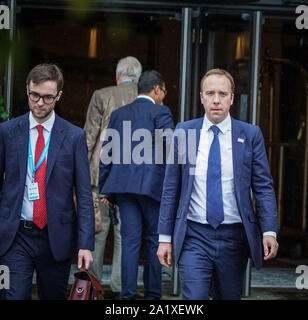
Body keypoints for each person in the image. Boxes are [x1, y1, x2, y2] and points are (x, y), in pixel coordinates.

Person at [157, 68, 279, 300]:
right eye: (210, 93)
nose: (216, 100)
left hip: (234, 238)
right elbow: (170, 188)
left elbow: (263, 186)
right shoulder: (184, 131)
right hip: (194, 236)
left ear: (232, 99)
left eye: (223, 94)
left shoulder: (250, 134)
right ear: (201, 97)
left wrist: (269, 230)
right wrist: (164, 237)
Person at [0, 63, 94, 300]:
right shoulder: (8, 132)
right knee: (13, 296)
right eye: (34, 95)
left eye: (47, 97)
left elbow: (83, 193)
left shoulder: (74, 136)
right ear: (27, 90)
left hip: (56, 237)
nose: (40, 103)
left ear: (59, 95)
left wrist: (85, 244)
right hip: (15, 235)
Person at [99, 70, 174, 300]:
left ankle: (127, 297)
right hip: (153, 188)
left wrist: (105, 188)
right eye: (164, 91)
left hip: (124, 188)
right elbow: (171, 149)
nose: (164, 95)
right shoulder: (161, 112)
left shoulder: (120, 114)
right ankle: (153, 296)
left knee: (130, 243)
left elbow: (107, 151)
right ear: (157, 89)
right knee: (153, 242)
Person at [84, 56, 142, 299]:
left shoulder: (101, 95)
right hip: (131, 180)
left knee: (97, 232)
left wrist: (81, 177)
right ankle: (120, 288)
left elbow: (89, 138)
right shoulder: (146, 98)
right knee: (125, 236)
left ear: (117, 76)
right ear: (138, 78)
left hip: (100, 177)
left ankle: (93, 288)